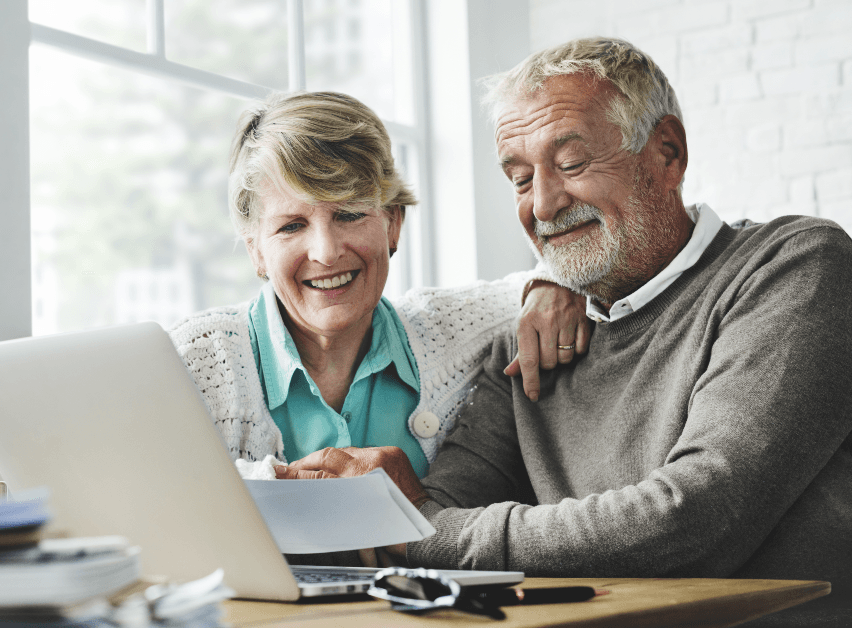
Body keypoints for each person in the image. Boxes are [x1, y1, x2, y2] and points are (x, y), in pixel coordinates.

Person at [275, 38, 852, 610]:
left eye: (572, 164)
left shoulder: (794, 267)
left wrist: (421, 528)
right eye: (521, 180)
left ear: (668, 152)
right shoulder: (525, 343)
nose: (544, 205)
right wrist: (368, 507)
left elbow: (696, 517)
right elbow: (436, 510)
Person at [169, 91, 589, 475]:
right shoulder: (194, 359)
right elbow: (144, 498)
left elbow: (566, 274)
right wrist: (275, 486)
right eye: (292, 226)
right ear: (256, 250)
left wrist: (552, 284)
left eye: (349, 214)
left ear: (393, 223)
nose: (326, 252)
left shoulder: (454, 333)